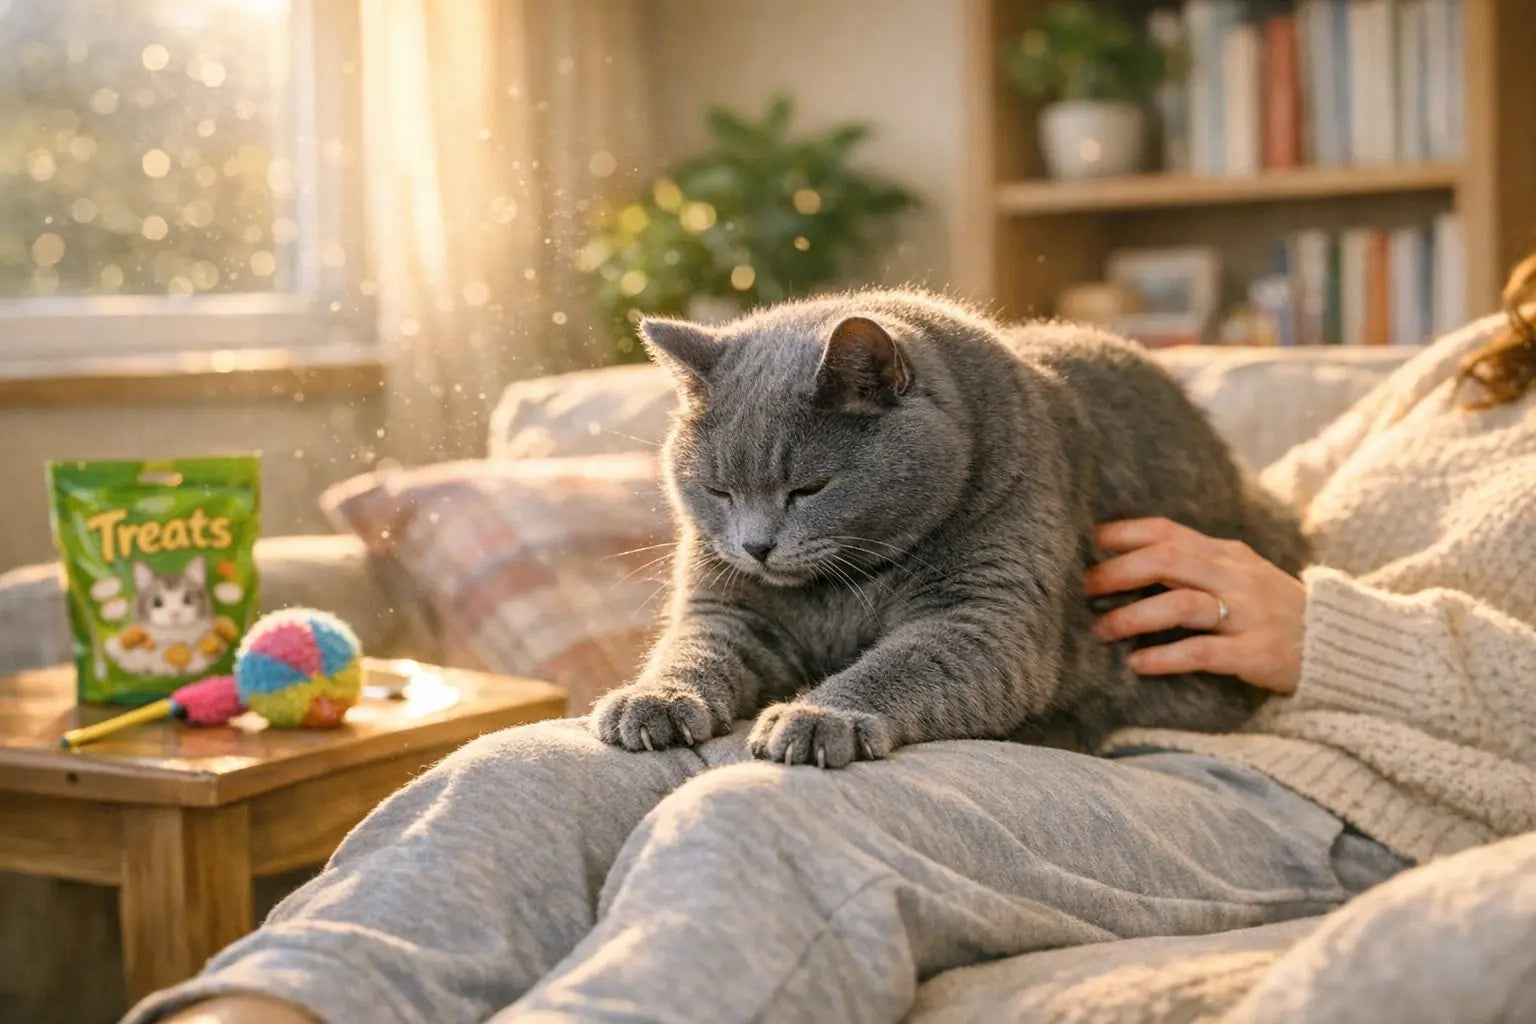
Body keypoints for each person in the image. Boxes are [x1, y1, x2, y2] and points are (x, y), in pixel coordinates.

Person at [130, 255, 1536, 1024]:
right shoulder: (1473, 365)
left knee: (767, 822)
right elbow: (1276, 511)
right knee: (530, 779)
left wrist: (1329, 636)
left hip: (1340, 797)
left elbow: (1319, 594)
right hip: (1162, 703)